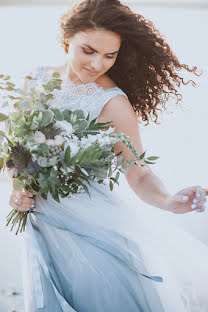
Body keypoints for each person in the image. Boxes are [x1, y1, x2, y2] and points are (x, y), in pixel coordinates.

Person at [8, 0, 208, 311]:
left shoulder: (112, 103)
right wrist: (18, 186)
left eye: (109, 55)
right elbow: (15, 149)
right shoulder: (35, 80)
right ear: (67, 40)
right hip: (40, 228)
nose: (97, 64)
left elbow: (138, 172)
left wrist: (168, 201)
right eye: (88, 50)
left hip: (93, 234)